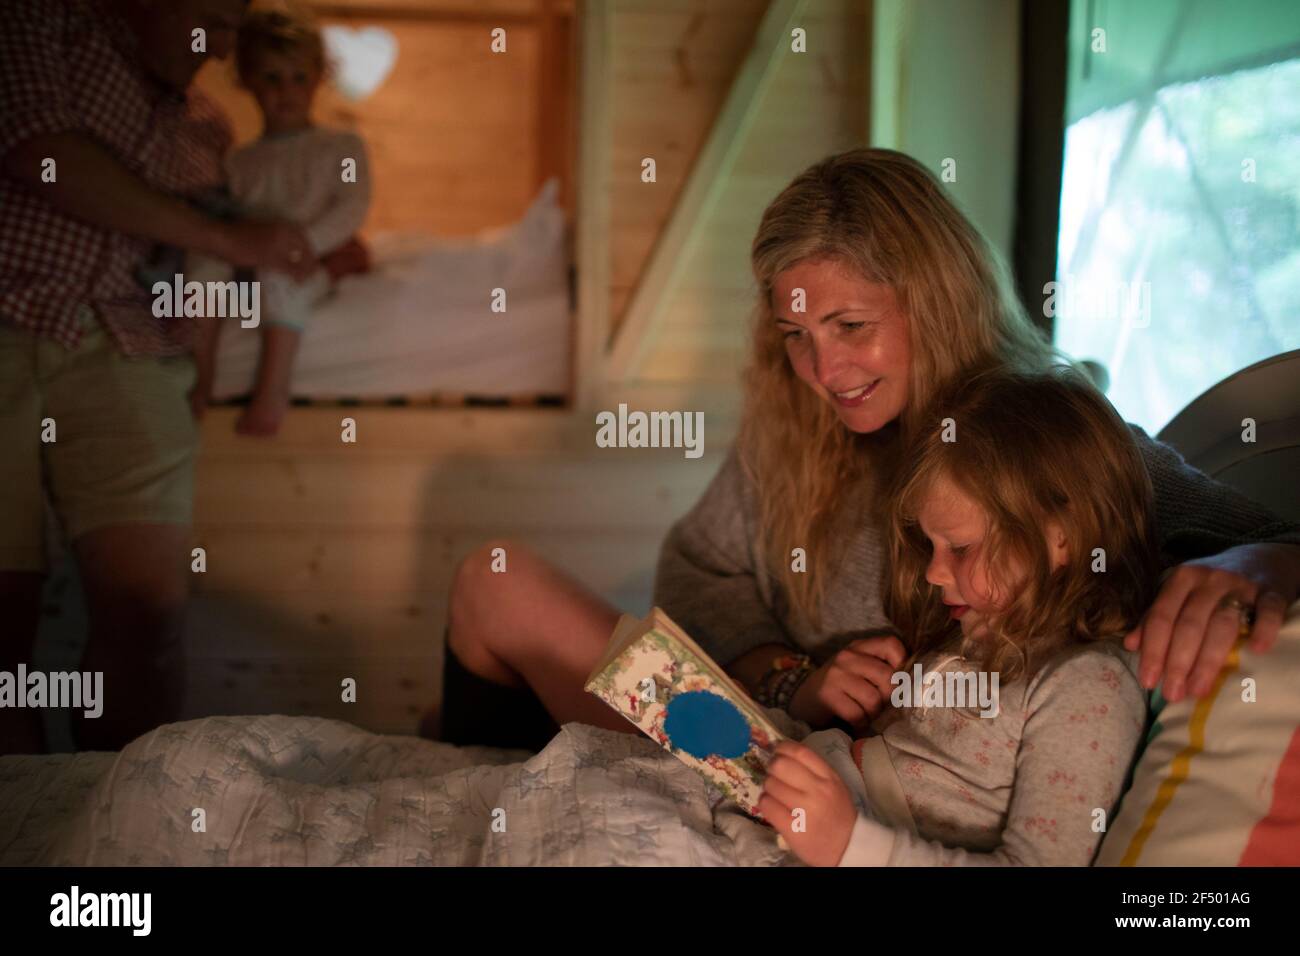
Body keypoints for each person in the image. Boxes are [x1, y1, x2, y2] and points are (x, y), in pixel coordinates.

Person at [440, 148, 1300, 753]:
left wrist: (1257, 565)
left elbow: (1268, 536)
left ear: (934, 300)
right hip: (749, 733)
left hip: (821, 786)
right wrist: (789, 676)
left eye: (851, 327)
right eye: (796, 334)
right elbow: (698, 569)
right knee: (494, 581)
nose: (824, 369)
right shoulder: (795, 422)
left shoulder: (1040, 429)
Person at [0, 0, 315, 754]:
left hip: (128, 345)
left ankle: (119, 832)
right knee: (3, 617)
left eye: (233, 28)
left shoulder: (208, 126)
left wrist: (202, 355)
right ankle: (23, 833)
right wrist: (222, 235)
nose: (219, 44)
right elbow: (37, 148)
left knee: (147, 616)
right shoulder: (42, 19)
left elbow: (200, 268)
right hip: (8, 312)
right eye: (208, 15)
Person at [762, 366, 1157, 866]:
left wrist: (850, 846)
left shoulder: (1087, 684)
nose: (933, 573)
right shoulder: (979, 636)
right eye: (931, 545)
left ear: (1064, 536)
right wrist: (806, 704)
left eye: (961, 547)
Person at [191, 7, 373, 436]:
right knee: (202, 265)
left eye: (298, 78)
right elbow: (231, 218)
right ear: (247, 81)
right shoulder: (240, 161)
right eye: (271, 78)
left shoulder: (340, 146)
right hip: (249, 262)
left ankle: (271, 395)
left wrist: (305, 245)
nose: (285, 91)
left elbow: (351, 207)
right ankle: (200, 380)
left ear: (318, 78)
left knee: (280, 279)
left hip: (309, 261)